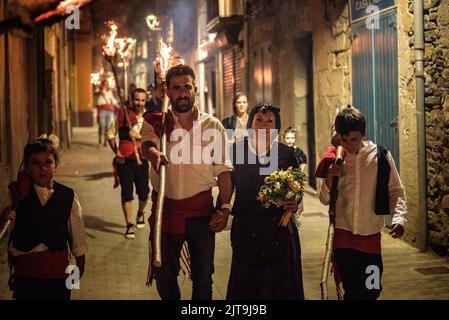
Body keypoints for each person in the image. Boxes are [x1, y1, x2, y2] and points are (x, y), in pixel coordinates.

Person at [141, 64, 233, 300]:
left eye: (187, 87)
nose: (182, 93)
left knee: (203, 280)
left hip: (201, 214)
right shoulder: (157, 122)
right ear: (168, 92)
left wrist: (224, 208)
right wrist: (153, 154)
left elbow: (224, 171)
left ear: (196, 89)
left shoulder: (213, 126)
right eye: (176, 88)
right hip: (165, 212)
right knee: (164, 276)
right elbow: (147, 144)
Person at [318, 105, 407, 300]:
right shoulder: (334, 160)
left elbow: (396, 190)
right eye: (344, 140)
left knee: (372, 289)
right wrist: (329, 180)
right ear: (338, 137)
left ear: (364, 133)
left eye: (354, 140)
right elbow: (324, 199)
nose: (349, 145)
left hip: (370, 239)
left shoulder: (381, 156)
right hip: (343, 238)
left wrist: (399, 218)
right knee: (351, 291)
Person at [226, 102, 304, 300]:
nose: (263, 126)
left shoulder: (286, 155)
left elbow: (297, 191)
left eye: (270, 121)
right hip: (246, 231)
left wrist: (295, 204)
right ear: (250, 125)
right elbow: (226, 186)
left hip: (278, 232)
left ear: (276, 127)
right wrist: (223, 208)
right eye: (258, 120)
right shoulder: (236, 152)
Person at [7, 136, 87, 300]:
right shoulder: (17, 194)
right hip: (26, 276)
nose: (42, 167)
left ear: (56, 166)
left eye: (48, 162)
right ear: (27, 168)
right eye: (35, 163)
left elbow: (78, 241)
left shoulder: (68, 196)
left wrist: (72, 281)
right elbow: (6, 225)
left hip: (58, 274)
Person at [107, 88, 150, 239]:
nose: (139, 103)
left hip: (142, 159)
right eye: (137, 100)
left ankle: (140, 213)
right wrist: (116, 152)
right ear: (132, 100)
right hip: (124, 160)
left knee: (144, 193)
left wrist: (139, 137)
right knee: (127, 192)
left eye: (142, 100)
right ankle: (129, 224)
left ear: (146, 100)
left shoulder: (149, 117)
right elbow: (110, 133)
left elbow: (156, 138)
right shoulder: (122, 113)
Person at [96, 80, 119, 146]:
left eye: (107, 84)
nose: (106, 85)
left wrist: (117, 106)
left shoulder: (109, 92)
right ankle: (100, 138)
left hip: (109, 110)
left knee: (107, 127)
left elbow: (112, 100)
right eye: (104, 84)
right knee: (101, 126)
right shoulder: (99, 90)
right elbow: (99, 94)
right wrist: (102, 89)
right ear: (102, 84)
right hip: (102, 110)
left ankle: (105, 141)